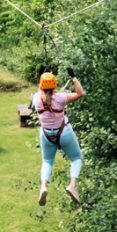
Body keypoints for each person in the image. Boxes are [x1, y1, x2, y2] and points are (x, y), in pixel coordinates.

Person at [32, 71, 85, 209]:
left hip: (46, 135)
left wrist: (46, 76)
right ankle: (73, 185)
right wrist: (73, 77)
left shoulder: (36, 98)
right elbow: (80, 93)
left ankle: (44, 186)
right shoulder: (61, 98)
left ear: (40, 85)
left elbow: (43, 93)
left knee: (47, 161)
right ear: (54, 86)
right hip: (64, 132)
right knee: (76, 158)